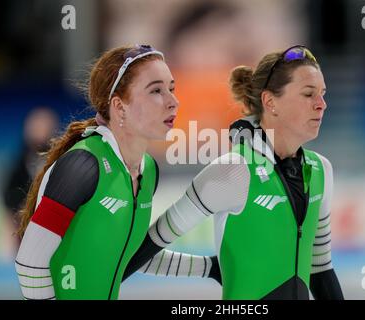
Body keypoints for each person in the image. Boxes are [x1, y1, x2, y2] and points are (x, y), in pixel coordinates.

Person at [123, 45, 344, 300]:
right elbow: (136, 254)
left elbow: (320, 269)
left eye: (322, 94)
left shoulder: (320, 171)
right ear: (270, 102)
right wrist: (206, 268)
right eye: (308, 94)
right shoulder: (234, 170)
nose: (322, 105)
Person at [15, 44, 220, 300]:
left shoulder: (148, 171)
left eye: (171, 88)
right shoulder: (83, 165)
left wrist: (211, 268)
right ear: (119, 107)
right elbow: (29, 263)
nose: (173, 101)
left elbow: (125, 254)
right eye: (156, 90)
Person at [3, 107, 59, 252]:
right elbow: (9, 196)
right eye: (34, 126)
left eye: (42, 126)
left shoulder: (60, 159)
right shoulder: (20, 161)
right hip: (24, 228)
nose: (37, 130)